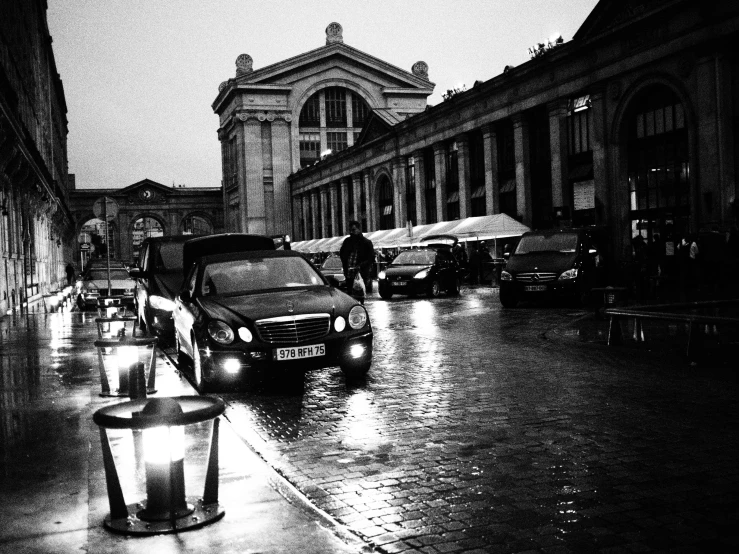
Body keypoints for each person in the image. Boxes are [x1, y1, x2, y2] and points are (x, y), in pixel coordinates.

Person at [339, 220, 375, 303]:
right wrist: (345, 264)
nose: (352, 232)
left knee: (360, 295)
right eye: (351, 230)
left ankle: (360, 308)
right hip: (349, 273)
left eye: (354, 230)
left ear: (359, 229)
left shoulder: (366, 243)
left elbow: (371, 258)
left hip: (361, 274)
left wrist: (361, 266)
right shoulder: (347, 241)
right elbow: (342, 253)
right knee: (350, 294)